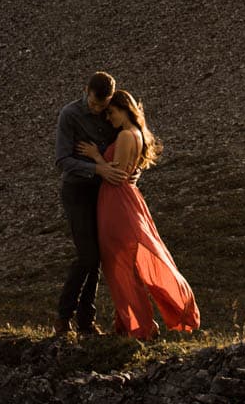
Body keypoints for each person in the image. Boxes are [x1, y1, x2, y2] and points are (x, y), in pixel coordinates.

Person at [76, 89, 200, 340]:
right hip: (124, 200)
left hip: (116, 202)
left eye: (112, 113)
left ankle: (140, 327)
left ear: (124, 110)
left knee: (119, 265)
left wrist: (95, 156)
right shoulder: (139, 134)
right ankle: (129, 324)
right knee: (123, 266)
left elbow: (117, 173)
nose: (109, 118)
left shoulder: (124, 136)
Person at [53, 70, 127, 336]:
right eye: (94, 104)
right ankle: (64, 317)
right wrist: (98, 169)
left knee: (98, 258)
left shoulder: (112, 113)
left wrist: (129, 170)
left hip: (103, 193)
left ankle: (86, 322)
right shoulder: (70, 115)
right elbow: (62, 161)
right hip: (77, 191)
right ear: (86, 91)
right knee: (88, 256)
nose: (97, 110)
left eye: (103, 106)